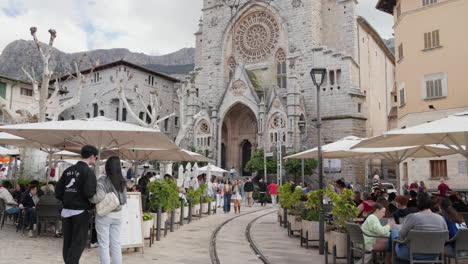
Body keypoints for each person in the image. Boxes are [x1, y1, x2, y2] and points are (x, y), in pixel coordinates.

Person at [56, 145, 98, 264]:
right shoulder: (88, 172)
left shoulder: (68, 170)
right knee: (79, 242)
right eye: (96, 157)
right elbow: (89, 192)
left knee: (67, 241)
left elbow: (58, 191)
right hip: (80, 211)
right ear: (92, 156)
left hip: (66, 211)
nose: (95, 159)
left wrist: (66, 200)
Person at [89, 156, 127, 264]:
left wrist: (89, 197)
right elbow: (124, 200)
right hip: (118, 215)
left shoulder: (103, 180)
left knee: (104, 244)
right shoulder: (122, 181)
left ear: (107, 167)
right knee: (116, 243)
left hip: (105, 215)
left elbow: (98, 197)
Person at [391, 193, 448, 262]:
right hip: (434, 254)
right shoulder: (441, 218)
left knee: (394, 234)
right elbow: (446, 238)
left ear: (418, 203)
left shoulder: (412, 217)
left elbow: (401, 235)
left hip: (413, 253)